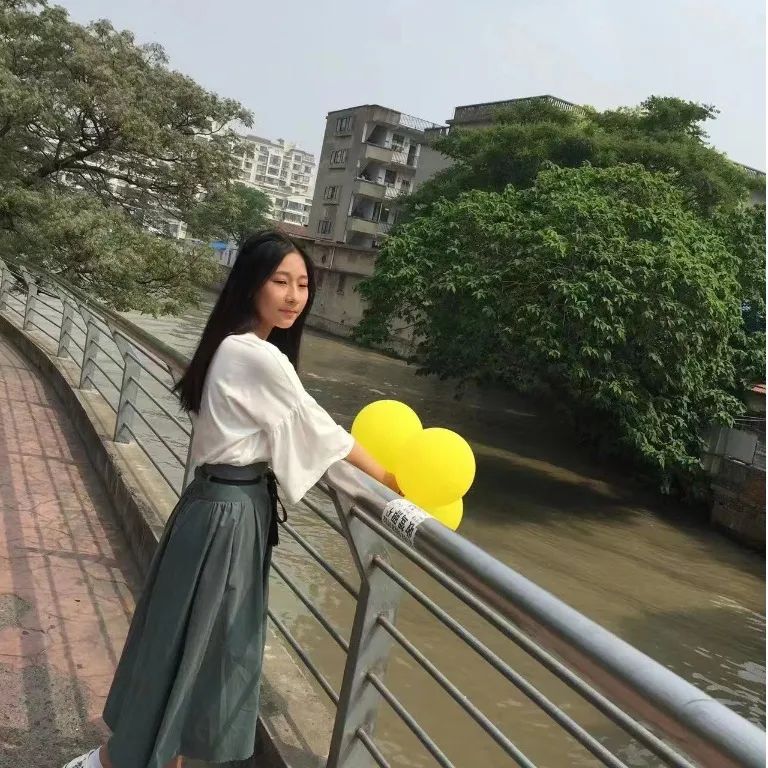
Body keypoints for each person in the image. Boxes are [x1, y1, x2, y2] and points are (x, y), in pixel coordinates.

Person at [63, 230, 399, 768]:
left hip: (221, 507)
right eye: (280, 282)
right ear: (251, 286)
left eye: (303, 285)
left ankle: (139, 758)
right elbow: (320, 428)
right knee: (199, 644)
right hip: (228, 517)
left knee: (189, 640)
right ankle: (112, 762)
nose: (294, 296)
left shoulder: (236, 346)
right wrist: (389, 478)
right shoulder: (254, 355)